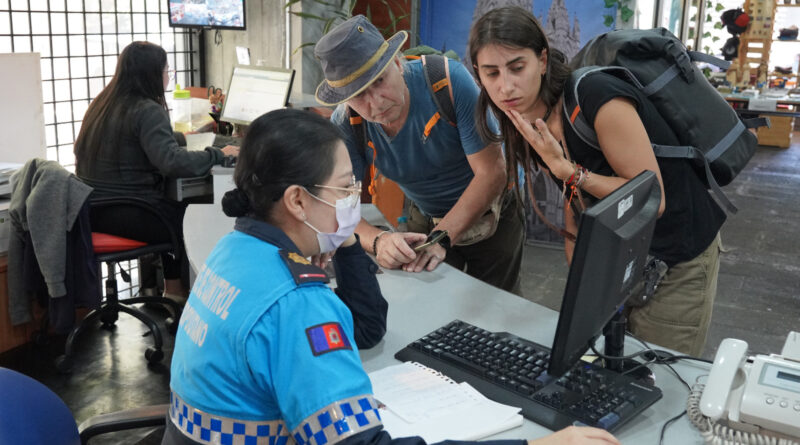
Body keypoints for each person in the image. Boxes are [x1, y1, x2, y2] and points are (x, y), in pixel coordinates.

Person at [164, 108, 619, 445]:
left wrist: (339, 238)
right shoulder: (296, 305)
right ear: (297, 201)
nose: (354, 200)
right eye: (345, 188)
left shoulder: (237, 251)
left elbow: (363, 329)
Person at [469, 7, 726, 357]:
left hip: (677, 259)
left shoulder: (595, 96)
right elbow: (576, 205)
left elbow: (653, 197)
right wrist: (587, 294)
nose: (506, 86)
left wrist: (569, 171)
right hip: (624, 261)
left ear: (542, 61)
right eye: (491, 73)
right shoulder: (523, 117)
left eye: (517, 67)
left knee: (661, 378)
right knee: (611, 372)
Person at [314, 15, 525, 295]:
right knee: (424, 301)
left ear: (398, 64)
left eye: (379, 81)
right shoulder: (347, 124)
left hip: (492, 208)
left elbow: (492, 172)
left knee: (494, 305)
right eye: (358, 94)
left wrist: (442, 237)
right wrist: (378, 241)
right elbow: (336, 205)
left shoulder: (447, 83)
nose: (375, 102)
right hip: (426, 211)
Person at [73, 41, 238, 301]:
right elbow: (171, 162)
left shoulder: (103, 103)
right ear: (151, 74)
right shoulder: (147, 109)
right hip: (131, 213)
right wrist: (219, 154)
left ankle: (171, 290)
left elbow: (138, 139)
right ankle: (187, 296)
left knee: (173, 205)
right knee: (189, 216)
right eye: (166, 71)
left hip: (94, 210)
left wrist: (184, 137)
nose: (168, 76)